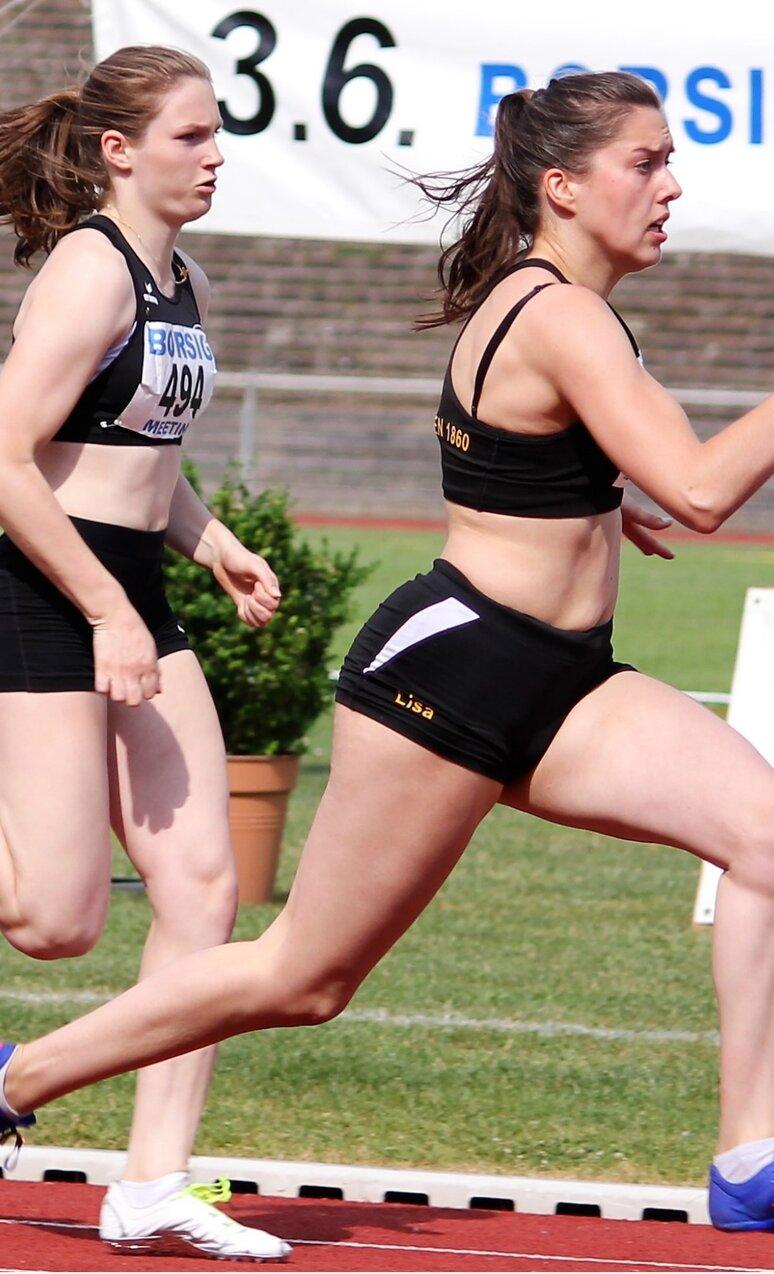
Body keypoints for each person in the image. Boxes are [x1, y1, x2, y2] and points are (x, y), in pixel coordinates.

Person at [0, 70, 774, 1246]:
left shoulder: (556, 305)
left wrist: (593, 504)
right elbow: (701, 489)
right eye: (645, 163)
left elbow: (506, 463)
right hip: (445, 679)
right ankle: (16, 1077)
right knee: (302, 976)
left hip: (561, 674)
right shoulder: (554, 310)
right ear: (564, 186)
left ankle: (751, 1159)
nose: (671, 185)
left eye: (667, 161)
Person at [0, 47, 291, 1260]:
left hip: (135, 593)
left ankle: (154, 1178)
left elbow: (141, 459)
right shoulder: (88, 268)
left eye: (217, 135)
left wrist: (212, 540)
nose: (215, 154)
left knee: (204, 889)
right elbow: (8, 459)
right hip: (40, 586)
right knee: (56, 919)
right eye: (190, 136)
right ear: (119, 151)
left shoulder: (188, 280)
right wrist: (103, 611)